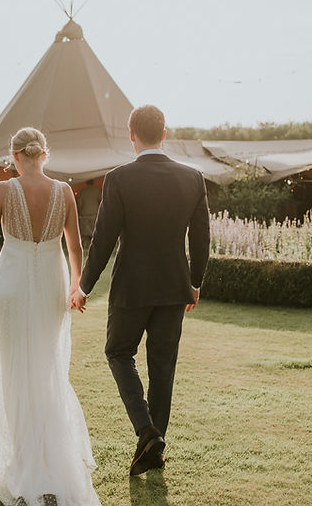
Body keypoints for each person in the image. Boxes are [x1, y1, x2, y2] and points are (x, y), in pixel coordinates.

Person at [0, 127, 100, 506]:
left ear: (15, 156)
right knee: (46, 369)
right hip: (51, 285)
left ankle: (25, 461)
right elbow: (75, 245)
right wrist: (77, 287)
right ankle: (46, 459)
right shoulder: (64, 191)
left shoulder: (2, 190)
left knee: (15, 373)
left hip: (12, 287)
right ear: (45, 154)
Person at [71, 104, 210, 477]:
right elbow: (201, 239)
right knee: (162, 368)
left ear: (131, 135)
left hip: (130, 288)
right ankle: (155, 446)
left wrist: (84, 285)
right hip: (172, 288)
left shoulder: (118, 179)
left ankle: (147, 433)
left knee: (118, 352)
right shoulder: (193, 177)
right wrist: (194, 283)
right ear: (165, 134)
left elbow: (102, 240)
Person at [76, 179, 101, 248]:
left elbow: (80, 203)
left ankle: (85, 244)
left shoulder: (82, 191)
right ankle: (95, 246)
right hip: (94, 214)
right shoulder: (97, 190)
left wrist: (79, 212)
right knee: (94, 231)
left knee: (84, 232)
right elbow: (100, 200)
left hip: (84, 214)